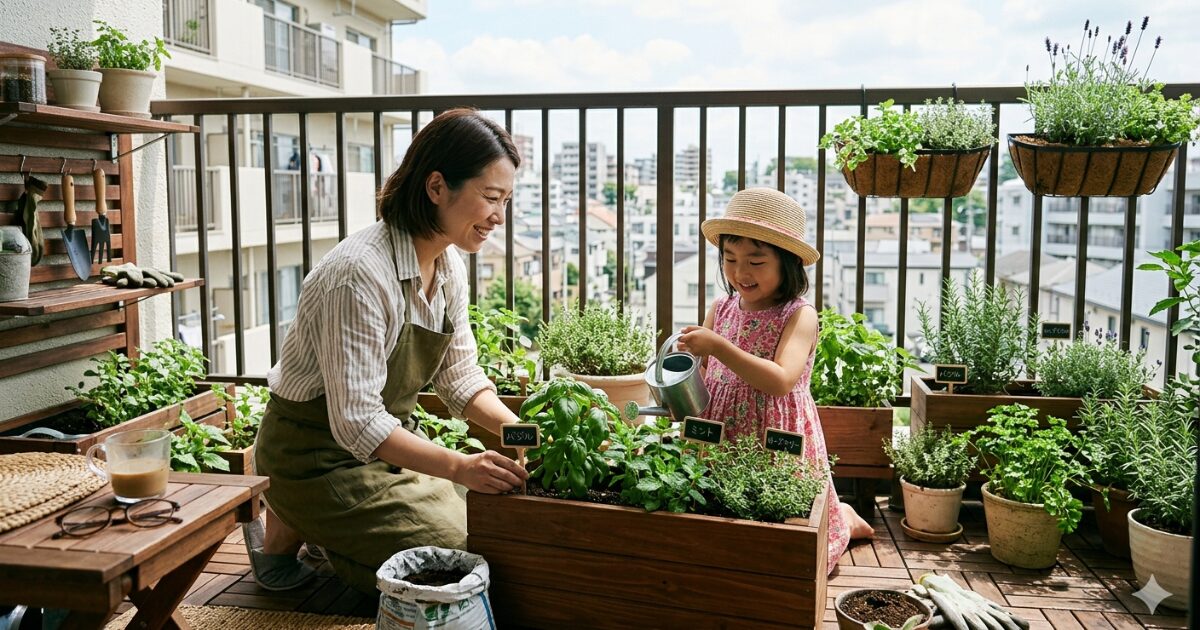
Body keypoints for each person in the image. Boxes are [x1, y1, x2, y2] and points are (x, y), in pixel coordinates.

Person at [245, 108, 529, 595]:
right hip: (314, 461)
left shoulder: (447, 267)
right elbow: (356, 421)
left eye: (505, 200)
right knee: (462, 552)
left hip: (379, 455)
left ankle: (310, 533)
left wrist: (521, 431)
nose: (499, 216)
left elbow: (460, 379)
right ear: (437, 187)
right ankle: (311, 527)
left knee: (492, 515)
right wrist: (460, 466)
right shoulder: (359, 275)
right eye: (490, 197)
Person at [678, 187, 873, 572]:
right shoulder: (721, 308)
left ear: (788, 263)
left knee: (781, 520)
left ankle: (845, 520)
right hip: (720, 430)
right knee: (723, 512)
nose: (740, 272)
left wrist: (718, 346)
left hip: (773, 432)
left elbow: (781, 380)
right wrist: (686, 370)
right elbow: (703, 370)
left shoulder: (799, 315)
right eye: (731, 259)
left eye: (756, 261)